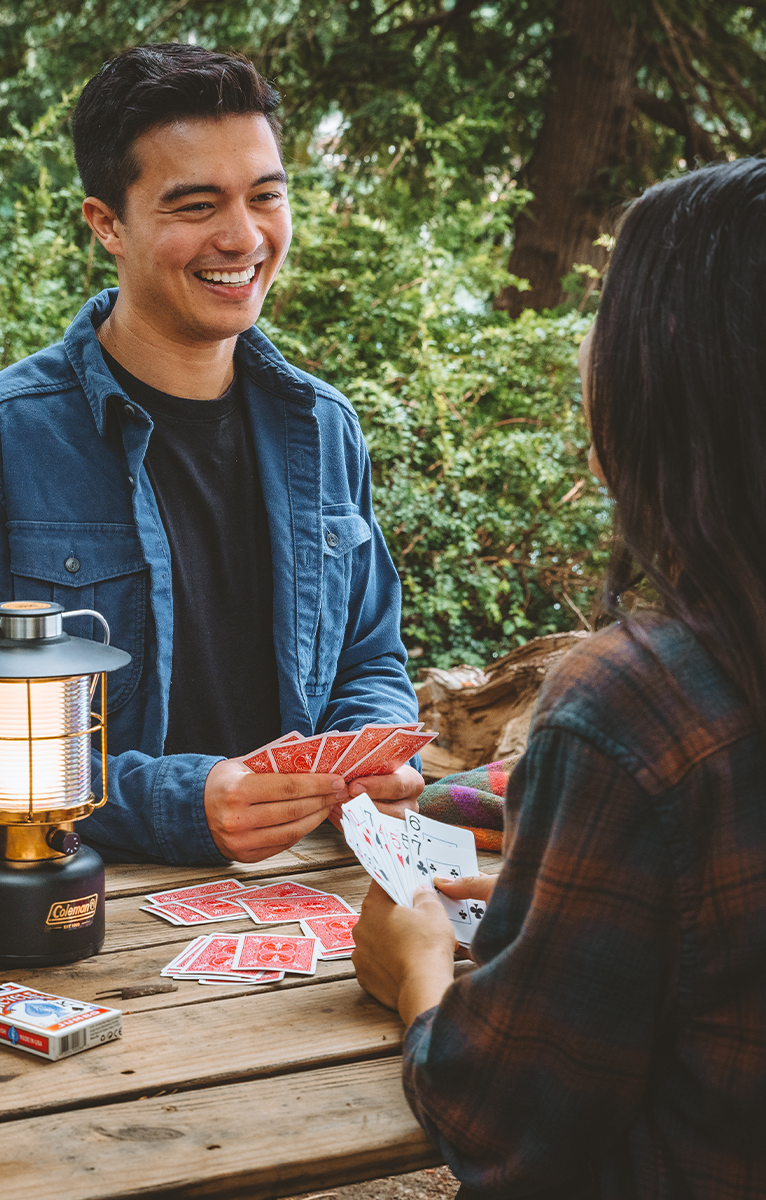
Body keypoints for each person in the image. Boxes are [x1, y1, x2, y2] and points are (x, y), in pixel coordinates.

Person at [0, 44, 423, 872]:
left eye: (266, 196)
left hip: (300, 886)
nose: (243, 236)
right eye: (196, 205)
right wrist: (175, 804)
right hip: (57, 897)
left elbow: (369, 654)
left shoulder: (324, 427)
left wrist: (371, 752)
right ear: (107, 223)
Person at [352, 158, 766, 1198]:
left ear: (664, 375)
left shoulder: (643, 704)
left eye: (601, 317)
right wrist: (581, 910)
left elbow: (502, 1121)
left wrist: (417, 965)